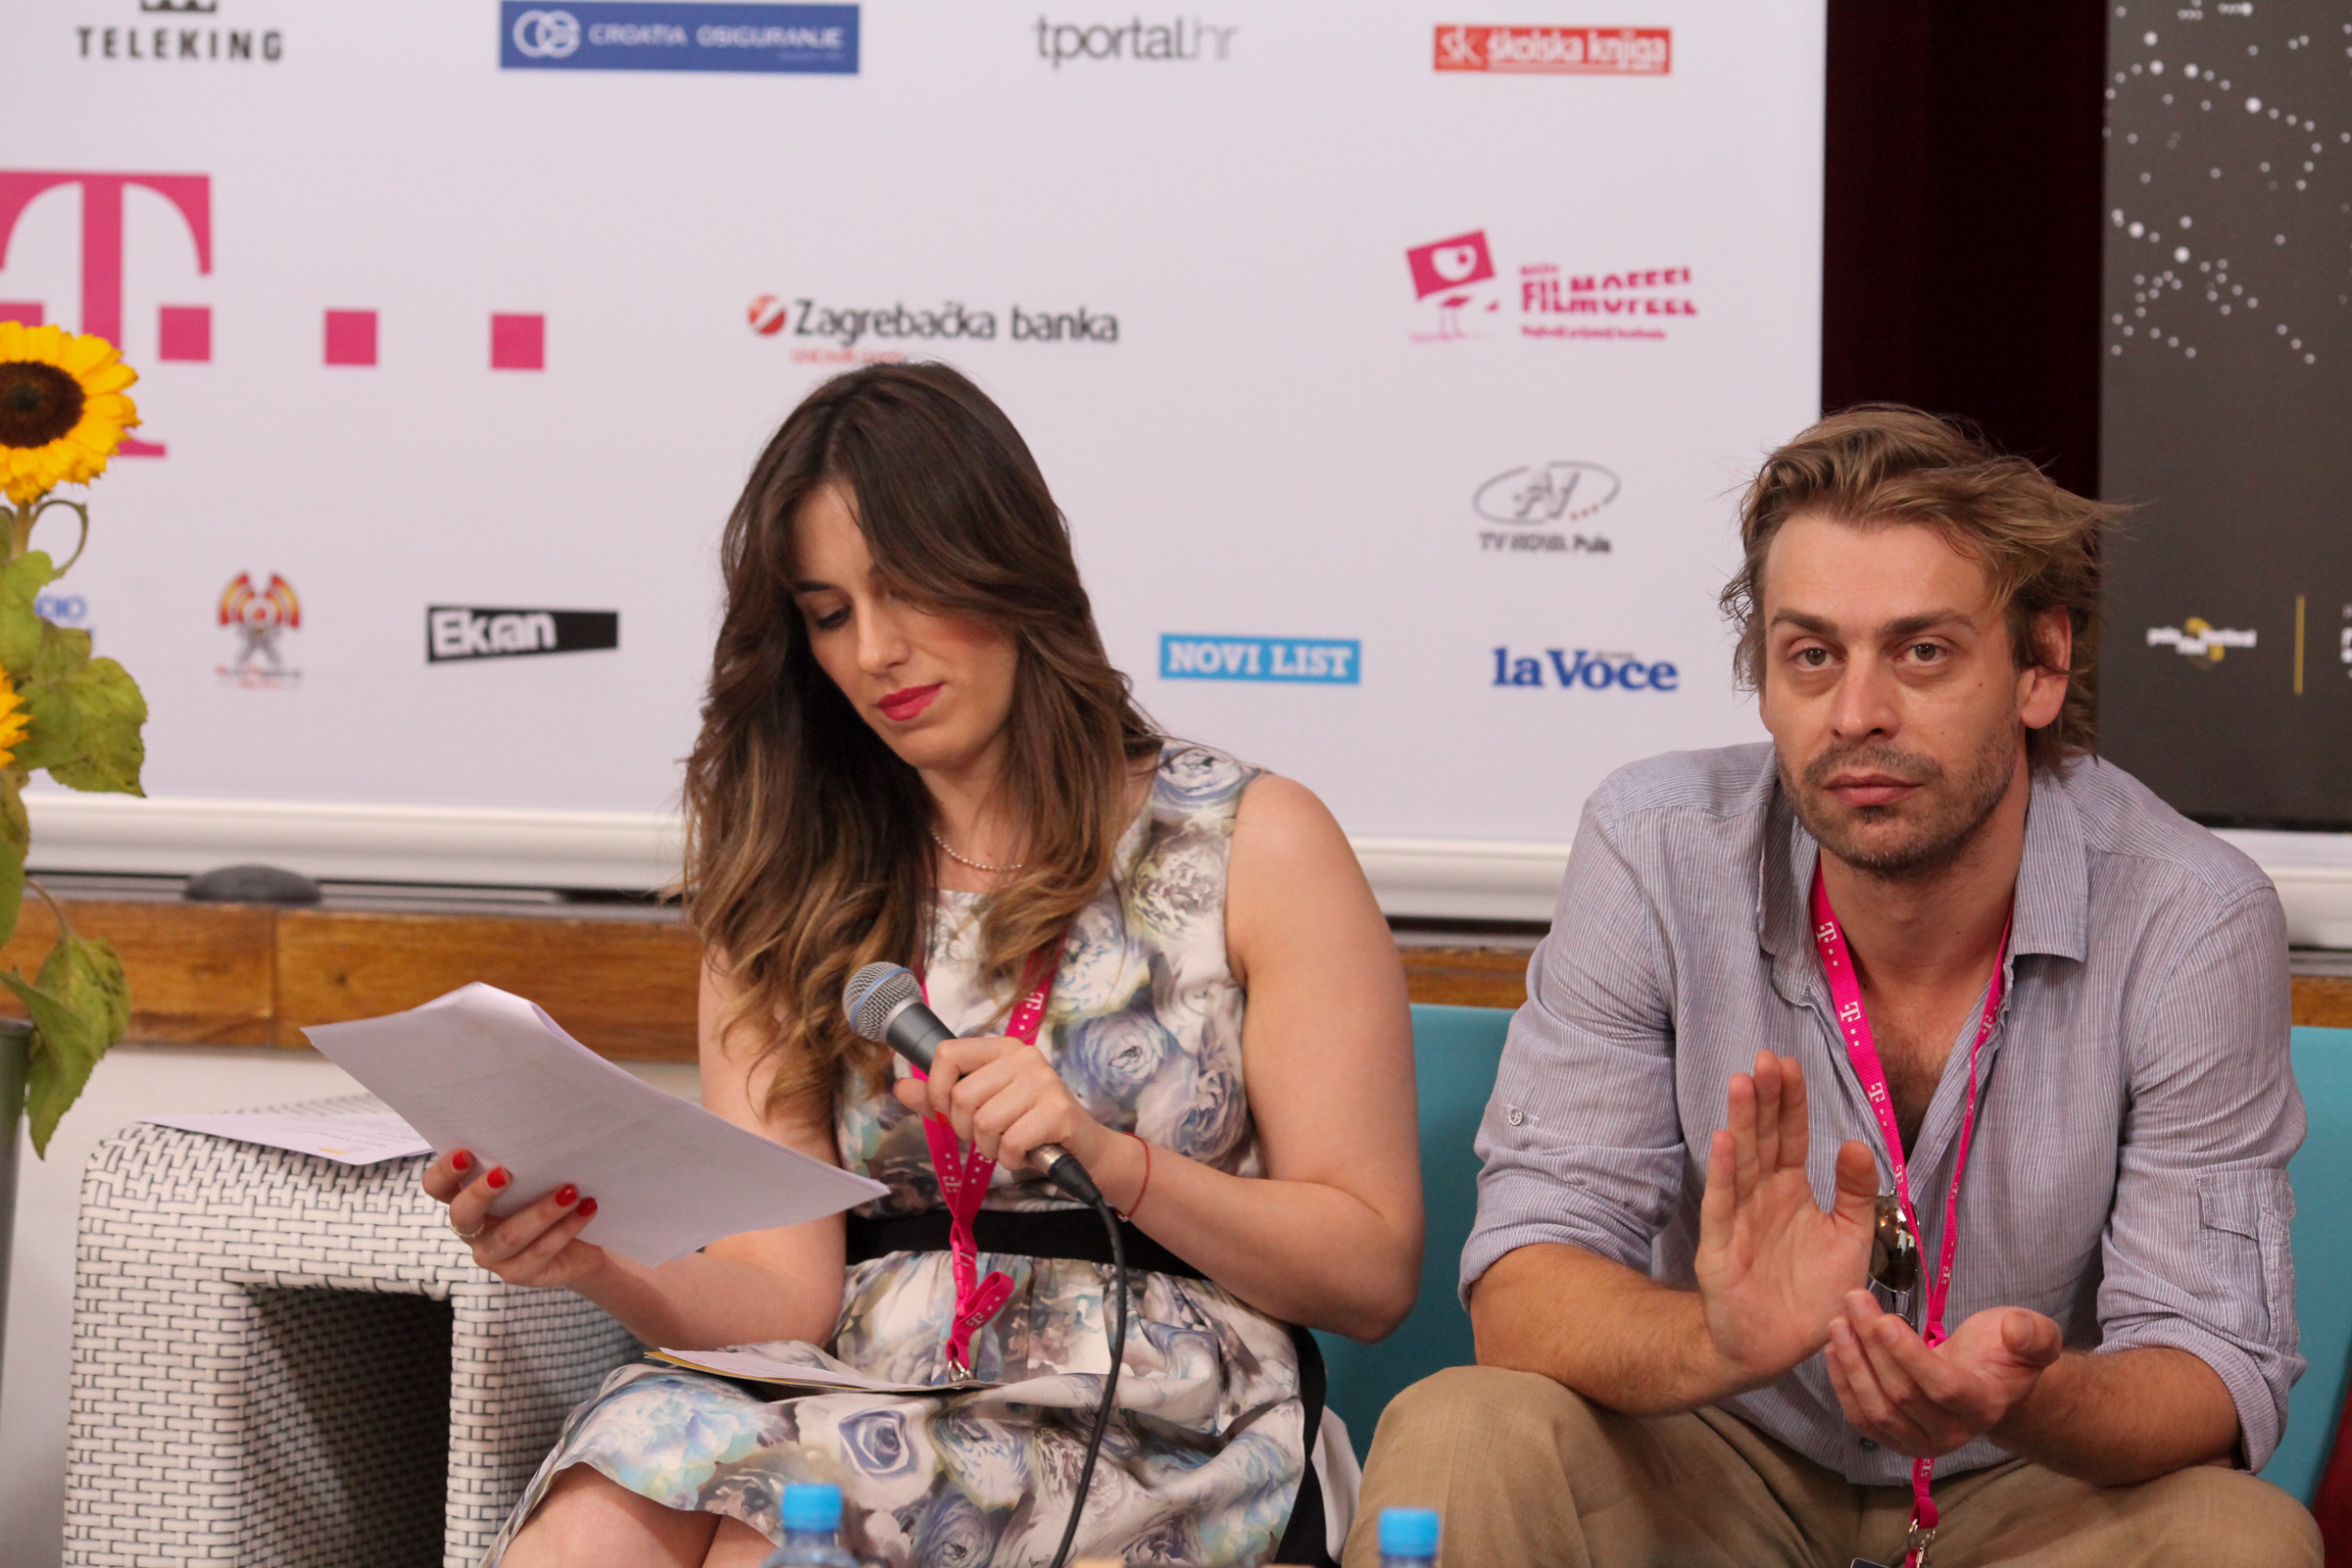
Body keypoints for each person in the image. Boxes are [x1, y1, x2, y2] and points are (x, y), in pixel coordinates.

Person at [421, 363, 1423, 1568]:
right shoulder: (787, 878)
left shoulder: (1251, 839)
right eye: (829, 613)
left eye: (906, 590)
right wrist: (597, 1258)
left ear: (1009, 565)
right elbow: (783, 1290)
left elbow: (1370, 1270)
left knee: (769, 1546)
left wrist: (1110, 1159)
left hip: (1156, 1416)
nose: (877, 652)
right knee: (604, 1505)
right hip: (861, 1388)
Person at [1348, 407, 2319, 1567]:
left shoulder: (2191, 915)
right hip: (1716, 1452)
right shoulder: (1654, 847)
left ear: (2042, 667)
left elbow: (2211, 1365)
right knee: (1461, 1433)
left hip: (2030, 1483)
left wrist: (2021, 1394)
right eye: (1813, 654)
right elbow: (1525, 1284)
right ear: (1764, 678)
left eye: (1922, 652)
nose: (1857, 714)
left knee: (2239, 1536)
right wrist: (1718, 1341)